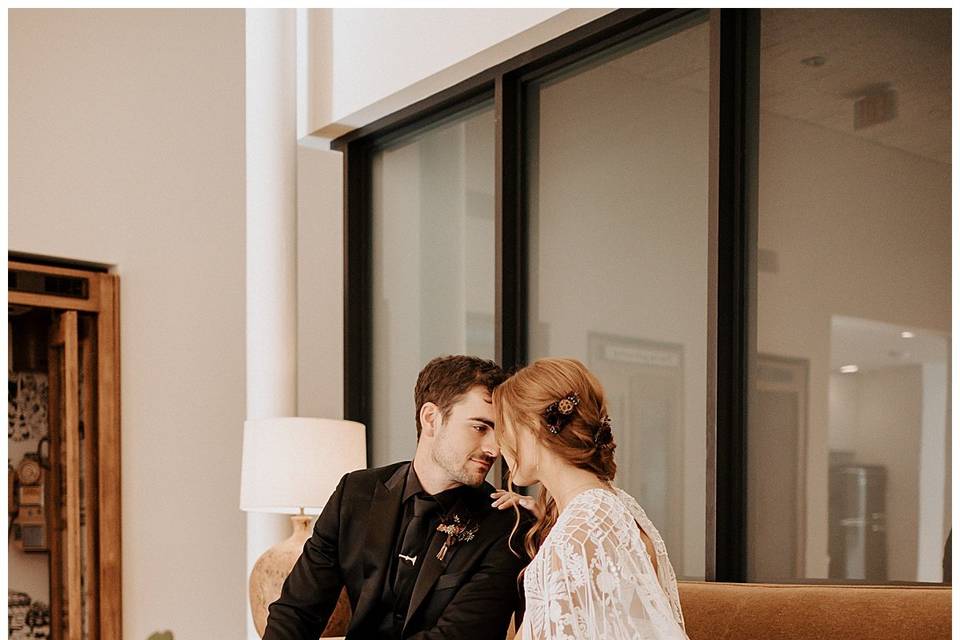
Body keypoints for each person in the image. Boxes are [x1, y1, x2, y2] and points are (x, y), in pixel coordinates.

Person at [264, 355, 529, 639]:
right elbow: (296, 612)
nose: (494, 448)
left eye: (498, 432)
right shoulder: (355, 493)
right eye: (479, 427)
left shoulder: (507, 525)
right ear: (430, 419)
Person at [489, 357, 688, 640]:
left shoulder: (580, 532)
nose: (498, 444)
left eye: (503, 428)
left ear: (532, 428)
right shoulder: (612, 506)